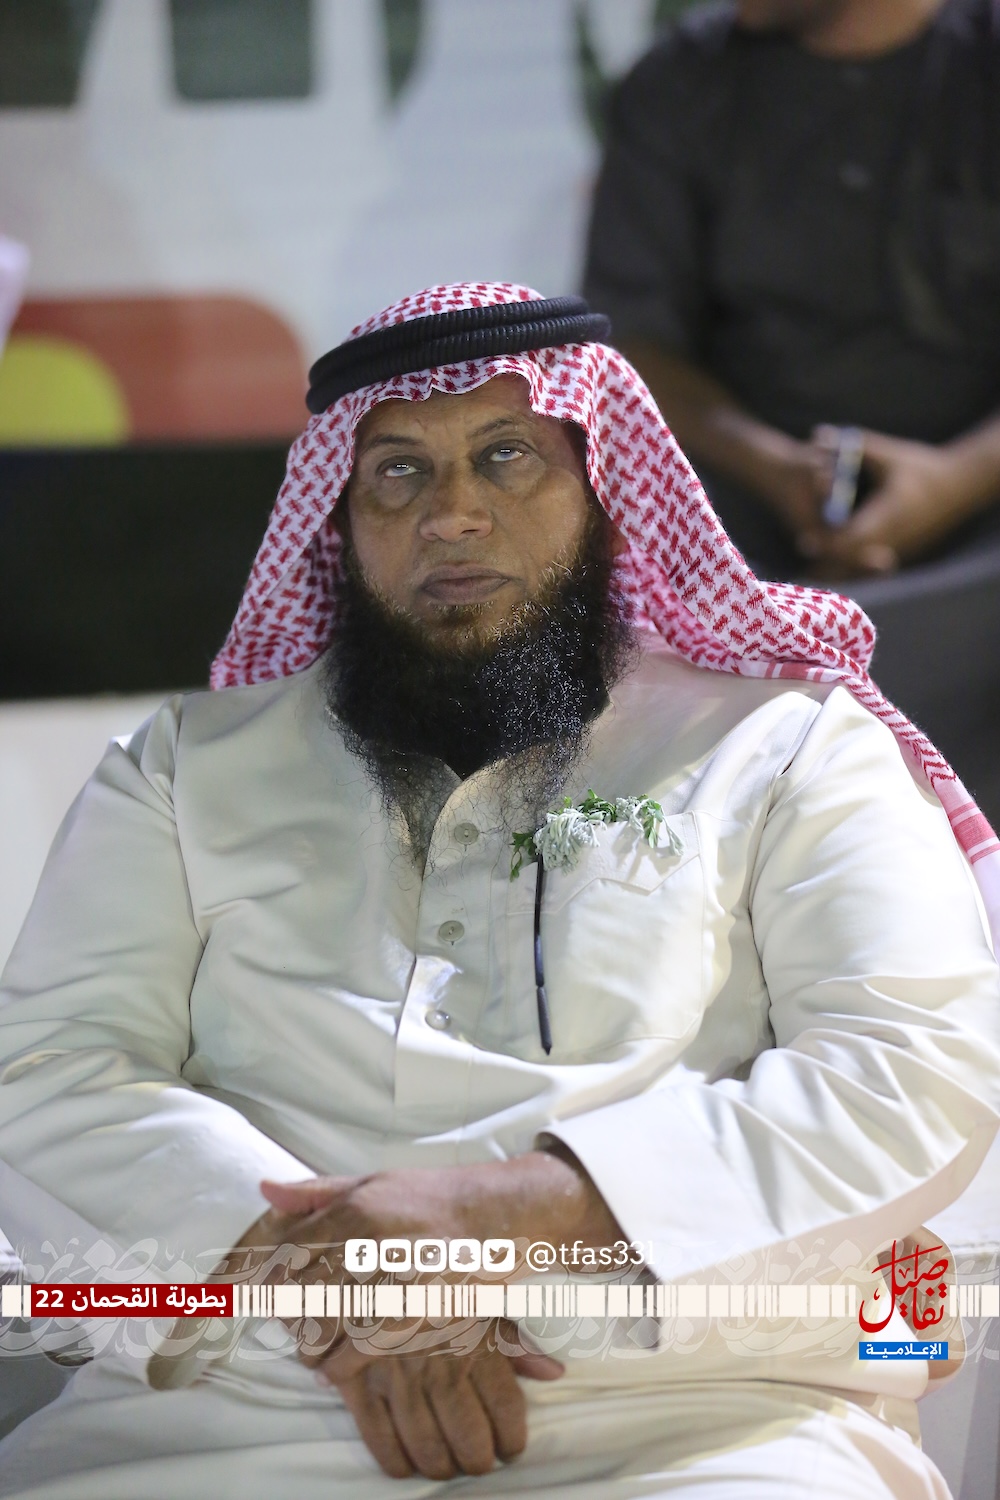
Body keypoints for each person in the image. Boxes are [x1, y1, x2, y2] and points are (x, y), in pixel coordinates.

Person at [0, 280, 998, 1499]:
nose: (453, 513)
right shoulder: (184, 767)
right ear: (339, 520)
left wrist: (494, 1215)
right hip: (244, 1408)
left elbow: (910, 1065)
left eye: (507, 455)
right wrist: (335, 1278)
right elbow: (50, 1059)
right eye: (397, 472)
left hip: (706, 1415)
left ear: (605, 488)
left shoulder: (786, 747)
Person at [583, 0, 1000, 581]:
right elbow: (633, 346)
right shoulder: (676, 86)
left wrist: (953, 482)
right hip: (743, 534)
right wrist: (778, 470)